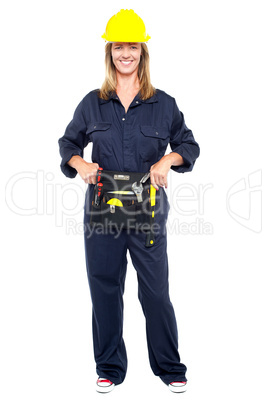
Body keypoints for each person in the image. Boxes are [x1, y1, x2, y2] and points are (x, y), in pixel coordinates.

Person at [58, 9, 200, 394]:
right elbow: (68, 144)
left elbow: (188, 144)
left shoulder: (164, 104)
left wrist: (169, 159)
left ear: (142, 51)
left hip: (148, 212)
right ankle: (109, 367)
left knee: (155, 291)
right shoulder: (93, 103)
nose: (126, 54)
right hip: (102, 213)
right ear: (110, 52)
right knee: (104, 289)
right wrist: (80, 163)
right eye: (118, 46)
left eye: (132, 46)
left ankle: (170, 367)